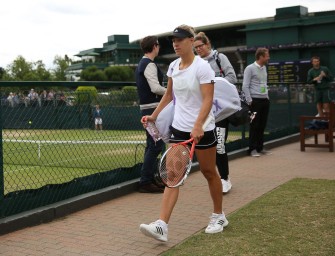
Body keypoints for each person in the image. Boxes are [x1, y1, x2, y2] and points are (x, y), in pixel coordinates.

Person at [139, 25, 228, 242]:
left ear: (190, 40)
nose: (175, 44)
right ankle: (162, 225)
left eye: (179, 39)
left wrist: (198, 125)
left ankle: (219, 215)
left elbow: (208, 99)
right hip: (179, 130)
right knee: (173, 177)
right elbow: (168, 95)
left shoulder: (202, 68)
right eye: (173, 41)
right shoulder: (172, 67)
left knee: (209, 172)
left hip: (203, 129)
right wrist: (154, 116)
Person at [193, 31, 237, 193]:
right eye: (195, 47)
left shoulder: (220, 58)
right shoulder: (195, 63)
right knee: (208, 148)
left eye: (200, 46)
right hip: (203, 112)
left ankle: (224, 179)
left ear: (208, 44)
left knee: (219, 145)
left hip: (220, 110)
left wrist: (214, 84)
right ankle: (214, 178)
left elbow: (232, 78)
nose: (198, 49)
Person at [135, 36, 166, 193]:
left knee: (153, 144)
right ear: (155, 46)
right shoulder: (149, 64)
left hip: (148, 109)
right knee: (156, 145)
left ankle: (150, 178)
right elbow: (155, 88)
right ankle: (146, 181)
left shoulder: (143, 63)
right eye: (158, 45)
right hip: (152, 110)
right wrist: (172, 92)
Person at [242, 48, 271, 157]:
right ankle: (252, 149)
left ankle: (260, 147)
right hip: (255, 102)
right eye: (267, 56)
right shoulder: (249, 68)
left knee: (262, 125)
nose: (269, 58)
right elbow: (245, 85)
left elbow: (264, 84)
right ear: (261, 56)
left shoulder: (264, 68)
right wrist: (250, 100)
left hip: (265, 101)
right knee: (254, 125)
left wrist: (267, 97)